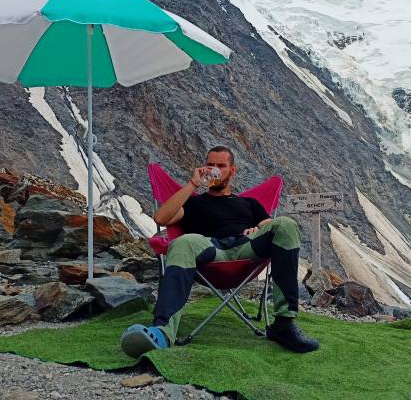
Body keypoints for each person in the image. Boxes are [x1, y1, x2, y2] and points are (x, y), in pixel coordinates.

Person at [121, 146, 319, 356]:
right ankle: (162, 332)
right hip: (208, 248)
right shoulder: (192, 202)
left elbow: (274, 227)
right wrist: (193, 184)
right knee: (182, 242)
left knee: (286, 224)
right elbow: (161, 218)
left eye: (221, 166)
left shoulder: (249, 203)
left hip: (245, 247)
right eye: (210, 165)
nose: (214, 170)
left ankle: (284, 325)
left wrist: (258, 228)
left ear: (232, 170)